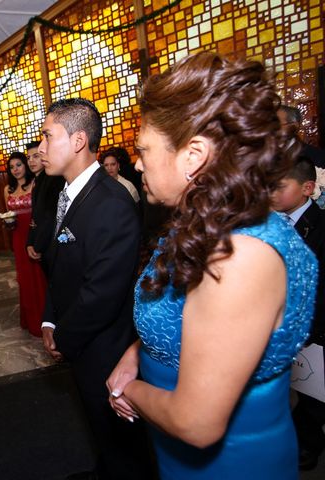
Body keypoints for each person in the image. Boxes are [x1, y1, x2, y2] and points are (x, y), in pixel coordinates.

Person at [107, 52, 317, 479]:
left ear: (194, 155)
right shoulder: (212, 222)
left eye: (144, 150)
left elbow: (196, 424)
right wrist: (137, 353)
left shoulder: (239, 256)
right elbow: (187, 322)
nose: (139, 163)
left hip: (231, 463)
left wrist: (131, 389)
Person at [38, 98, 152, 479]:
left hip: (105, 348)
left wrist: (64, 337)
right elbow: (59, 265)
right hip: (76, 335)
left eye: (47, 136)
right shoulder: (64, 192)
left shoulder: (112, 203)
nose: (40, 148)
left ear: (77, 140)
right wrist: (50, 320)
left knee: (123, 441)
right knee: (102, 432)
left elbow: (102, 294)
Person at [272, 156, 325, 470]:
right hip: (279, 324)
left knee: (311, 394)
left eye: (281, 186)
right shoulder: (273, 224)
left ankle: (310, 445)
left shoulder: (320, 227)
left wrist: (308, 327)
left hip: (312, 328)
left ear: (307, 188)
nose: (273, 192)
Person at [3, 152, 47, 337]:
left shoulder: (35, 184)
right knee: (25, 279)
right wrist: (8, 223)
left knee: (40, 276)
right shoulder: (8, 190)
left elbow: (41, 212)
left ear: (25, 166)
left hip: (34, 233)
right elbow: (9, 213)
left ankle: (45, 320)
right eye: (12, 167)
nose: (16, 170)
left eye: (19, 165)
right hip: (18, 237)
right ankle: (30, 319)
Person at [25, 140, 64, 274]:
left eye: (36, 156)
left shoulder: (54, 179)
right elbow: (35, 216)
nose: (31, 161)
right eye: (28, 158)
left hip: (52, 245)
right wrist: (29, 243)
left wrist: (38, 246)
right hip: (42, 243)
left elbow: (51, 217)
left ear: (45, 155)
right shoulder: (36, 181)